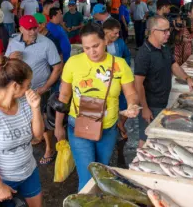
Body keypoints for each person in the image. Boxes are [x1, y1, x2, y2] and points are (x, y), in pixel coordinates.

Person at [54, 22, 139, 191]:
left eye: (96, 45)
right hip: (78, 125)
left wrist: (132, 105)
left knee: (101, 170)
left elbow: (130, 93)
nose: (92, 52)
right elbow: (63, 96)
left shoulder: (120, 64)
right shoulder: (73, 62)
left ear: (105, 41)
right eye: (86, 48)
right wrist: (57, 125)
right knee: (87, 177)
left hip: (107, 128)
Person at [0, 56, 44, 207]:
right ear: (15, 86)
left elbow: (37, 136)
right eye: (27, 84)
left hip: (29, 171)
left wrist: (36, 108)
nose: (30, 88)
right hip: (2, 178)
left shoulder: (25, 102)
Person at [5, 16, 62, 165]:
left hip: (39, 89)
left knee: (44, 118)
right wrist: (10, 59)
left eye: (34, 28)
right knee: (25, 117)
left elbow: (57, 67)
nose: (32, 32)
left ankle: (49, 148)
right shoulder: (14, 43)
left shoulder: (47, 43)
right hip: (19, 91)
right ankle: (36, 137)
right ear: (20, 29)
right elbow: (5, 65)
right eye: (28, 29)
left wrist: (44, 88)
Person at [135, 16, 193, 147]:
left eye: (168, 30)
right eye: (165, 31)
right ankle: (138, 165)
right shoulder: (144, 54)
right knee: (146, 138)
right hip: (151, 105)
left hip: (164, 101)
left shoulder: (164, 48)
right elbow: (138, 84)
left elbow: (174, 66)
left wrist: (187, 78)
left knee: (159, 136)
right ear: (153, 31)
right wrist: (145, 108)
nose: (168, 33)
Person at [103, 18, 131, 143]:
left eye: (118, 33)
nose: (117, 35)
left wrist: (125, 69)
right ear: (106, 31)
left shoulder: (119, 42)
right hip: (103, 82)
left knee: (125, 104)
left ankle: (120, 123)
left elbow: (127, 55)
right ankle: (111, 128)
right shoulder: (99, 44)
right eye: (114, 33)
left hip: (119, 80)